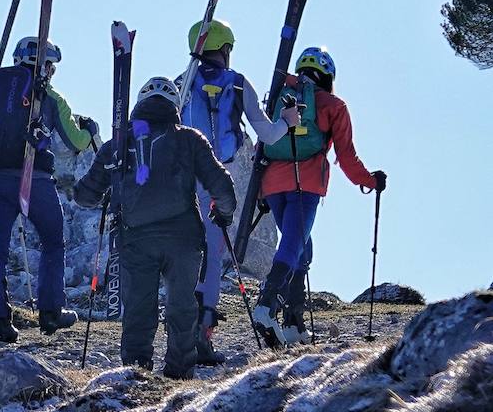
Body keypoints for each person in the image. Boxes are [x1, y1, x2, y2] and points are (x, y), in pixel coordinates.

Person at [74, 77, 237, 379]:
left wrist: (109, 183)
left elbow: (84, 196)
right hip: (184, 238)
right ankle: (179, 371)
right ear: (175, 105)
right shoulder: (190, 139)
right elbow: (223, 188)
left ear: (139, 103)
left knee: (139, 307)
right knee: (182, 304)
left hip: (136, 239)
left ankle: (135, 372)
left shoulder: (117, 145)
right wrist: (223, 214)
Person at [0, 37, 98, 342]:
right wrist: (90, 131)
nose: (52, 71)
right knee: (53, 240)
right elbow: (75, 141)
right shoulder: (50, 96)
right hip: (32, 177)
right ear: (43, 64)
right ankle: (51, 311)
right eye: (51, 64)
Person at [177, 19, 300, 365]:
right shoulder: (239, 84)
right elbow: (268, 133)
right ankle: (203, 334)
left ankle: (182, 330)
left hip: (185, 178)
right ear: (225, 48)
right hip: (221, 178)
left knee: (187, 252)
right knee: (212, 255)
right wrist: (288, 121)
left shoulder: (182, 83)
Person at [252, 47, 387, 346]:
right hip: (307, 183)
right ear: (329, 76)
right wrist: (371, 181)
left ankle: (294, 323)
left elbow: (263, 142)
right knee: (293, 243)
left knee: (302, 247)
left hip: (273, 184)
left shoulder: (278, 96)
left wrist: (259, 190)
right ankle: (266, 305)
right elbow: (347, 158)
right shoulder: (333, 105)